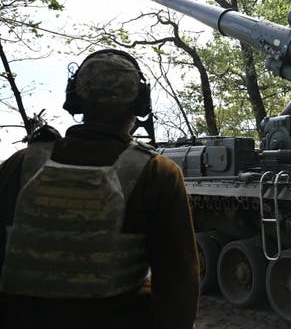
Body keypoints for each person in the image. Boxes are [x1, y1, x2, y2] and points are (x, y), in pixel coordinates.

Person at [0, 50, 199, 329]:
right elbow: (178, 285)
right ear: (140, 103)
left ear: (76, 98)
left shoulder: (21, 164)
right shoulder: (157, 174)